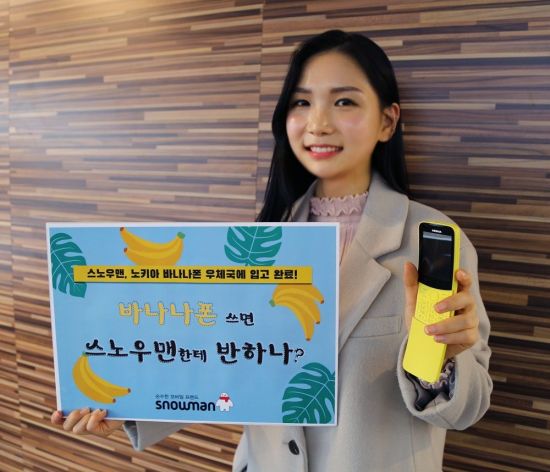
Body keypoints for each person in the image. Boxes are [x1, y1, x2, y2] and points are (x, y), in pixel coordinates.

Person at [51, 29, 492, 471]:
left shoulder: (431, 239)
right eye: (301, 102)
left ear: (387, 122)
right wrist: (128, 406)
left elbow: (468, 408)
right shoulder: (259, 243)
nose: (318, 122)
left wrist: (443, 360)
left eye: (344, 101)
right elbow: (221, 363)